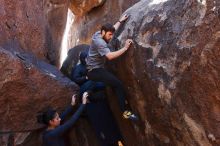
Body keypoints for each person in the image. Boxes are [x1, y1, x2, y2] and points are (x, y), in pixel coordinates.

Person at [86, 14, 138, 121]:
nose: (111, 37)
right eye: (109, 35)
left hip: (96, 68)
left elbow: (111, 29)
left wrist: (120, 21)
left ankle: (91, 95)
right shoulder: (99, 42)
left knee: (113, 84)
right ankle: (125, 112)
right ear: (103, 33)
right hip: (94, 71)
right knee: (118, 84)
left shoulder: (99, 33)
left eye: (111, 35)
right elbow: (110, 56)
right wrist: (125, 48)